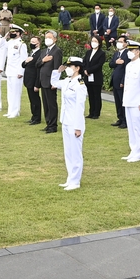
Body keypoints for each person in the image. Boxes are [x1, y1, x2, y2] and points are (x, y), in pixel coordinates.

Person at [55, 57, 87, 191]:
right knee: (68, 152)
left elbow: (80, 107)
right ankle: (70, 178)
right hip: (65, 120)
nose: (68, 68)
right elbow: (52, 82)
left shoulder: (80, 85)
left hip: (75, 122)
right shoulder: (67, 81)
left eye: (70, 66)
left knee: (75, 153)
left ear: (77, 68)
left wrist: (78, 127)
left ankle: (75, 181)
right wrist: (57, 71)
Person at [121, 40, 140, 162]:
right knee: (131, 128)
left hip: (137, 102)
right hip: (128, 101)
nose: (129, 53)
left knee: (138, 128)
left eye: (131, 50)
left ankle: (139, 153)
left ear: (137, 52)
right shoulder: (129, 65)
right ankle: (133, 150)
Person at [36, 30, 63, 134]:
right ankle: (48, 123)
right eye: (46, 37)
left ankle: (53, 125)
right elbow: (37, 64)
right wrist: (44, 60)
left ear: (55, 39)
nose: (47, 39)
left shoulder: (57, 51)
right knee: (46, 103)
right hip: (43, 80)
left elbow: (57, 67)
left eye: (50, 37)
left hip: (51, 81)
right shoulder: (44, 52)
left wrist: (54, 82)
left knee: (51, 104)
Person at [3, 25, 27, 118]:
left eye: (14, 32)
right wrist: (6, 36)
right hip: (9, 71)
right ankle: (10, 110)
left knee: (16, 93)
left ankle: (15, 111)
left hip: (17, 72)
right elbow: (1, 44)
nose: (12, 33)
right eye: (11, 32)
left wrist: (21, 72)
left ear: (19, 33)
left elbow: (23, 59)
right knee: (10, 92)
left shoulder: (22, 44)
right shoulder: (10, 42)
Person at [82, 34, 106, 119]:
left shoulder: (101, 53)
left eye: (95, 41)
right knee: (90, 95)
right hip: (88, 77)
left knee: (96, 95)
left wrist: (89, 70)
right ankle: (91, 112)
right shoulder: (88, 52)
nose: (93, 43)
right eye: (92, 41)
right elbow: (84, 62)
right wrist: (85, 70)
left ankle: (96, 113)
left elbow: (99, 65)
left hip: (96, 77)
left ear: (99, 43)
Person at [109, 34, 129, 129]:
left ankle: (125, 120)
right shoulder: (116, 54)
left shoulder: (127, 54)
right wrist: (116, 62)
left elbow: (126, 69)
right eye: (118, 42)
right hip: (115, 80)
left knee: (122, 101)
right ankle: (120, 118)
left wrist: (123, 81)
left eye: (121, 42)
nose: (119, 43)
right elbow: (111, 64)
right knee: (117, 101)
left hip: (121, 81)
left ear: (126, 44)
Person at [22, 35, 43, 125]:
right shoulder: (32, 52)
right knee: (31, 99)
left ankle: (37, 118)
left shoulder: (40, 54)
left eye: (34, 42)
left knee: (35, 100)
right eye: (31, 42)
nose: (32, 44)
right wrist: (26, 61)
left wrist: (37, 84)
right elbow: (23, 64)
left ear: (38, 44)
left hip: (34, 80)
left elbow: (38, 69)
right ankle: (33, 116)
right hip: (28, 79)